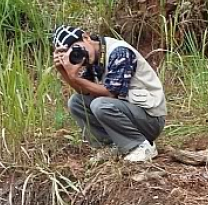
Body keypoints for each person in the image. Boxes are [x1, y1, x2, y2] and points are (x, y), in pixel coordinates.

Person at [52, 25, 167, 162]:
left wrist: (75, 77)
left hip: (151, 119)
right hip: (130, 113)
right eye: (73, 54)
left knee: (100, 104)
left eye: (78, 49)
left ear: (86, 37)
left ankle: (141, 146)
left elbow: (110, 94)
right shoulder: (94, 57)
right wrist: (64, 72)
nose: (79, 55)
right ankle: (109, 147)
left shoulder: (119, 52)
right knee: (76, 102)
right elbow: (84, 92)